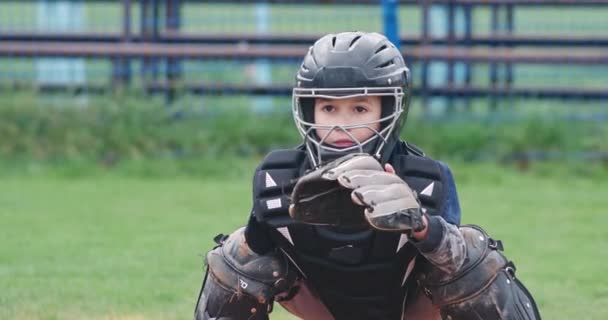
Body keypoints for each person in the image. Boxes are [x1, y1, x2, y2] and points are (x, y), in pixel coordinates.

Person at [194, 31, 541, 320]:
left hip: (411, 310)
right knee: (236, 258)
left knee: (472, 254)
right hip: (321, 304)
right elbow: (253, 260)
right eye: (328, 107)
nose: (342, 122)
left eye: (359, 108)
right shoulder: (280, 176)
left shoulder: (424, 178)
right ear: (307, 109)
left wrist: (421, 226)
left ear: (389, 111)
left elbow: (452, 266)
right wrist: (260, 228)